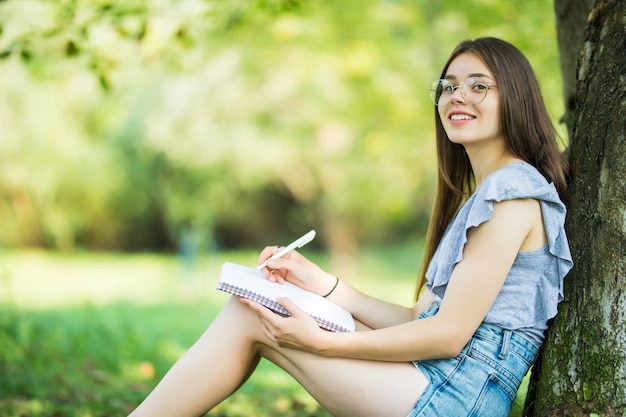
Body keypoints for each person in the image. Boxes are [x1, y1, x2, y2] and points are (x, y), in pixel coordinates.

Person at [128, 37, 573, 417]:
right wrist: (323, 285)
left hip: (457, 397)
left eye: (479, 86)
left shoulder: (512, 194)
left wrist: (322, 343)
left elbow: (447, 336)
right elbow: (420, 318)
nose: (458, 96)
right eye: (449, 86)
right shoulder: (489, 193)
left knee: (253, 317)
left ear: (514, 97)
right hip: (437, 378)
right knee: (255, 304)